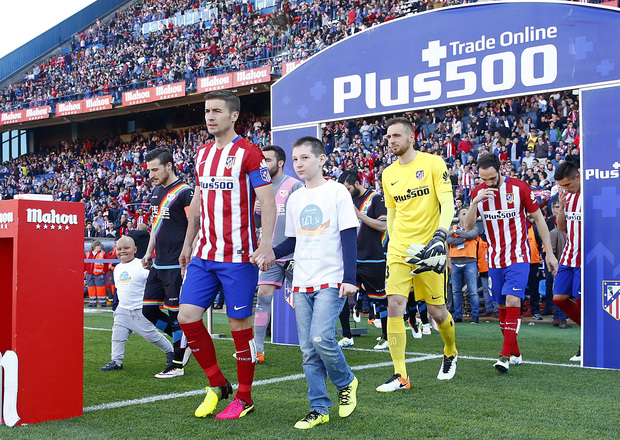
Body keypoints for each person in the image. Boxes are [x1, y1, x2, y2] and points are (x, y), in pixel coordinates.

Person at [178, 90, 277, 420]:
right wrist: (187, 243)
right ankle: (218, 384)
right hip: (204, 254)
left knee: (239, 326)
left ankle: (245, 397)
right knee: (186, 317)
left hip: (238, 257)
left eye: (216, 111)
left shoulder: (249, 153)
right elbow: (197, 207)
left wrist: (265, 243)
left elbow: (269, 202)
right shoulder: (202, 154)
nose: (209, 116)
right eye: (207, 111)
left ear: (234, 116)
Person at [258, 136, 358, 429]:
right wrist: (270, 254)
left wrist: (349, 279)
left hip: (331, 278)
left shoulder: (338, 192)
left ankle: (346, 381)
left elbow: (348, 237)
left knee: (321, 338)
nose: (300, 164)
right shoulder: (296, 197)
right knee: (308, 351)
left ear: (322, 160)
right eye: (296, 159)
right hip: (301, 280)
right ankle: (318, 408)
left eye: (305, 158)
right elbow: (292, 239)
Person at [377, 117, 458, 393]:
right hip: (399, 249)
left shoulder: (433, 163)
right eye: (389, 137)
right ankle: (401, 375)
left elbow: (447, 203)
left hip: (430, 249)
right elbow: (391, 211)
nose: (392, 140)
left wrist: (441, 235)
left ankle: (450, 350)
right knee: (395, 305)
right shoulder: (388, 174)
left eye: (397, 135)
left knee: (437, 311)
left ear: (412, 137)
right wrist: (391, 239)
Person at [463, 153, 558, 373]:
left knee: (514, 301)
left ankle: (504, 356)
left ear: (500, 170)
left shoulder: (520, 188)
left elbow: (539, 220)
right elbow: (467, 227)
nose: (488, 183)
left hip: (518, 257)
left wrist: (549, 253)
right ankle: (515, 352)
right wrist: (475, 202)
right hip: (495, 259)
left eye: (492, 178)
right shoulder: (478, 192)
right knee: (502, 306)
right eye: (483, 179)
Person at [141, 147, 194, 379]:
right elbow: (156, 225)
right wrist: (148, 252)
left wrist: (187, 251)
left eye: (155, 169)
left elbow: (195, 223)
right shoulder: (155, 191)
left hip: (176, 262)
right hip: (158, 262)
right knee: (148, 311)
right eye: (149, 170)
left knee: (175, 316)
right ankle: (184, 343)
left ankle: (176, 363)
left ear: (169, 165)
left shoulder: (185, 192)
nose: (151, 174)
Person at [253, 145, 303, 363]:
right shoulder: (260, 188)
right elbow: (259, 224)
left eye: (268, 160)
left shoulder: (294, 186)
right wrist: (256, 214)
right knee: (262, 296)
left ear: (280, 163)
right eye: (262, 160)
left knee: (303, 301)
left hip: (295, 254)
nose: (263, 164)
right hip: (270, 254)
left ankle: (312, 346)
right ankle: (258, 349)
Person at [99, 236, 174, 372]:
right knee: (117, 337)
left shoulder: (143, 265)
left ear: (135, 249)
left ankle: (170, 351)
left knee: (152, 336)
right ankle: (116, 361)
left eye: (126, 248)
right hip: (122, 310)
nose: (122, 251)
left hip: (140, 310)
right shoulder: (117, 268)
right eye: (119, 248)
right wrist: (116, 308)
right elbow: (118, 289)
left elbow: (156, 283)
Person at [338, 170, 388, 350]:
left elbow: (384, 225)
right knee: (342, 295)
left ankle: (386, 336)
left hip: (373, 257)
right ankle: (347, 335)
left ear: (358, 183)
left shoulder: (376, 198)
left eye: (349, 188)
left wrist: (360, 215)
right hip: (350, 258)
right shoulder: (345, 200)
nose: (347, 192)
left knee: (381, 298)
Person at [552, 161, 582, 361]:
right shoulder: (567, 197)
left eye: (568, 185)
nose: (565, 189)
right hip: (569, 255)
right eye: (561, 186)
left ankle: (586, 344)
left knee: (583, 303)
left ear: (578, 177)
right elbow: (561, 227)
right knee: (558, 298)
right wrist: (562, 206)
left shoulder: (593, 193)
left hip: (587, 258)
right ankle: (590, 331)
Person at [448, 207, 480, 323]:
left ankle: (475, 317)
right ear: (459, 217)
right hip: (455, 262)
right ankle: (457, 316)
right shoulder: (452, 227)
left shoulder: (474, 226)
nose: (467, 215)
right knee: (456, 291)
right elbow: (449, 240)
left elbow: (472, 235)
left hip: (470, 261)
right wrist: (463, 239)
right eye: (464, 213)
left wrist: (456, 233)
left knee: (473, 291)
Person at [84, 240, 108, 307]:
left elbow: (106, 263)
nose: (99, 247)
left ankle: (103, 303)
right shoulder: (87, 254)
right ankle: (92, 303)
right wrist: (85, 272)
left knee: (101, 289)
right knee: (91, 289)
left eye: (100, 246)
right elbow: (85, 263)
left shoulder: (103, 253)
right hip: (89, 274)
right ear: (94, 246)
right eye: (98, 246)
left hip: (99, 274)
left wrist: (104, 271)